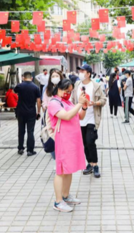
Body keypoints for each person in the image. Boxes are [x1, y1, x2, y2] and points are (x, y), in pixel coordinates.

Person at [48, 79, 88, 212]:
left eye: (70, 91)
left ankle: (65, 196)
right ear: (58, 88)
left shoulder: (68, 102)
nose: (68, 93)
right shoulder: (54, 102)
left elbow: (80, 116)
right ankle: (58, 202)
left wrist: (84, 106)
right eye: (66, 90)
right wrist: (79, 104)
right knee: (61, 170)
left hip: (73, 139)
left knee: (69, 169)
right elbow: (66, 116)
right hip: (63, 139)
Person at [71, 64, 107, 178]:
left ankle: (95, 165)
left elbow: (104, 99)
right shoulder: (76, 85)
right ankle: (89, 164)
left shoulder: (95, 86)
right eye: (80, 71)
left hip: (92, 117)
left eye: (83, 71)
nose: (80, 73)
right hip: (80, 117)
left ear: (88, 74)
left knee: (90, 141)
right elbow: (73, 100)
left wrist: (95, 103)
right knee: (84, 143)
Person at [14, 72, 41, 156]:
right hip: (31, 112)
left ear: (23, 77)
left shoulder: (19, 86)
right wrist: (38, 112)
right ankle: (30, 150)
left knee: (21, 130)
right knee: (30, 131)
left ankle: (20, 148)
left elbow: (14, 91)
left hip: (20, 112)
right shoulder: (36, 87)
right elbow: (38, 101)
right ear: (31, 78)